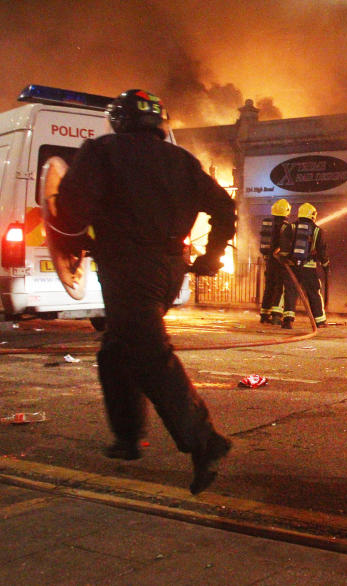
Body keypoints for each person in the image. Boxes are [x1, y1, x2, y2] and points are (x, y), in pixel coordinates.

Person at [54, 89, 237, 495]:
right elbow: (225, 208)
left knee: (150, 354)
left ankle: (205, 440)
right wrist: (212, 256)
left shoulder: (102, 151)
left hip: (128, 268)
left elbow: (70, 206)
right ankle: (128, 436)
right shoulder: (182, 160)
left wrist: (73, 238)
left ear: (119, 120)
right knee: (116, 348)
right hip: (169, 270)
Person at [279, 202, 329, 329]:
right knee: (314, 293)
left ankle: (288, 320)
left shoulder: (290, 227)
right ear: (313, 215)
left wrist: (285, 258)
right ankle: (320, 321)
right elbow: (322, 251)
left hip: (292, 267)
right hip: (309, 268)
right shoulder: (318, 231)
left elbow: (284, 245)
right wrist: (326, 265)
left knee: (290, 292)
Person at [259, 198, 291, 325]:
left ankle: (264, 315)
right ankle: (276, 316)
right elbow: (286, 244)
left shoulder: (268, 223)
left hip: (269, 261)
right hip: (279, 262)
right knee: (280, 288)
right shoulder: (285, 226)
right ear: (287, 211)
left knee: (269, 287)